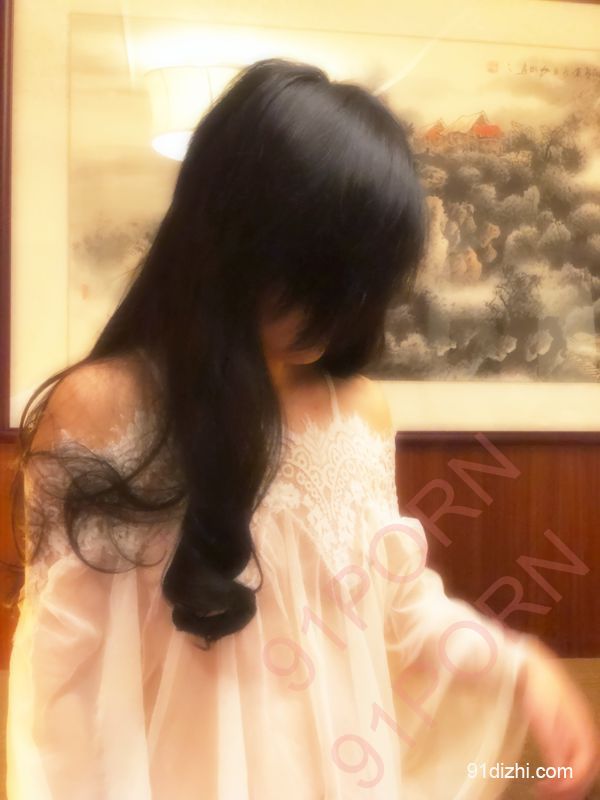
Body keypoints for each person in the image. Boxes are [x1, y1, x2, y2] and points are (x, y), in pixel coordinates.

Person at [5, 57, 599, 800]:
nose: (341, 303)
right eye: (319, 269)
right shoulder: (101, 408)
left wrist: (519, 666)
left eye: (363, 277)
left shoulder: (361, 414)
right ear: (232, 238)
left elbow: (396, 610)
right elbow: (60, 689)